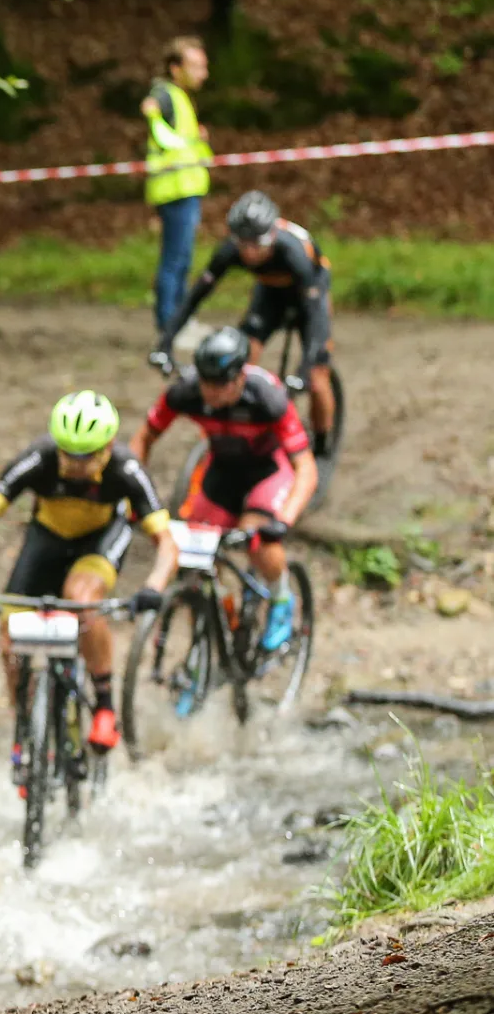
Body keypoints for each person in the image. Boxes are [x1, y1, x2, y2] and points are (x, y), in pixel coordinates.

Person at [0, 391, 178, 755]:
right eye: (67, 453)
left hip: (99, 540)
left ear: (108, 445)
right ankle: (24, 723)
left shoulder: (126, 469)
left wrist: (154, 586)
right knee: (10, 635)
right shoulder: (38, 458)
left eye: (86, 456)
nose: (75, 464)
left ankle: (103, 705)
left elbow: (166, 541)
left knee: (82, 599)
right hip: (48, 538)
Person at [131, 327, 317, 651]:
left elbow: (306, 468)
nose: (210, 393)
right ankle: (215, 635)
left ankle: (282, 600)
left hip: (268, 470)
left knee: (257, 538)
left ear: (239, 378)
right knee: (192, 558)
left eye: (219, 385)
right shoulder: (185, 392)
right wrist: (133, 497)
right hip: (223, 469)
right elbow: (143, 439)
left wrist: (283, 521)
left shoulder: (267, 398)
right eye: (205, 383)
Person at [154, 190, 338, 466]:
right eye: (244, 245)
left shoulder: (294, 253)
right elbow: (195, 297)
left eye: (258, 245)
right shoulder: (230, 251)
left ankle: (323, 445)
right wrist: (165, 342)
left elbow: (315, 316)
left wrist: (304, 370)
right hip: (269, 294)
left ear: (272, 235)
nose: (250, 253)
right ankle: (242, 424)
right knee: (240, 358)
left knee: (317, 377)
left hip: (308, 297)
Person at [142, 36, 213, 341]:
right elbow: (158, 125)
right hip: (174, 190)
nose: (203, 74)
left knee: (182, 260)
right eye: (196, 66)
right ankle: (171, 326)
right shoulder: (165, 94)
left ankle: (180, 321)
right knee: (174, 261)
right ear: (175, 68)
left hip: (185, 189)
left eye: (204, 66)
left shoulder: (180, 97)